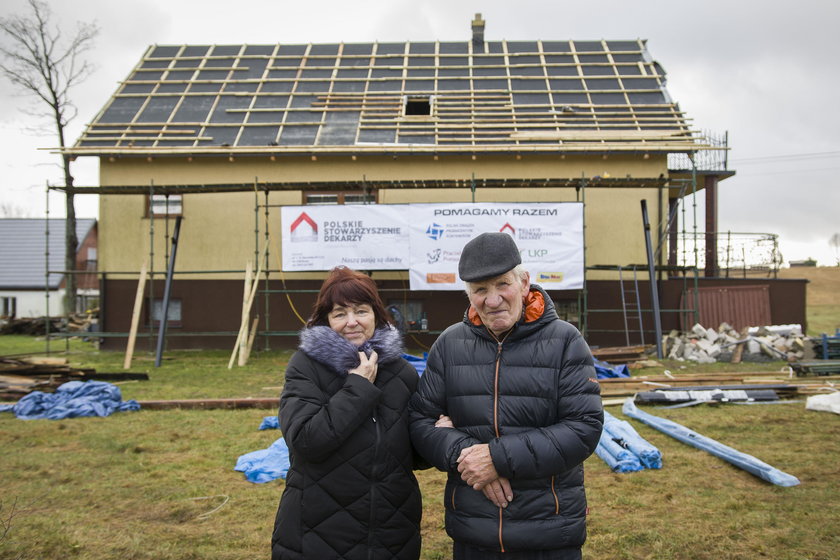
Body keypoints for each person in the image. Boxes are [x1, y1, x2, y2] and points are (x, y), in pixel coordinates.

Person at [409, 232, 603, 559]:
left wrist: (497, 459)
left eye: (502, 284)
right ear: (468, 294)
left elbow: (583, 428)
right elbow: (419, 421)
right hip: (474, 531)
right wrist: (466, 451)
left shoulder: (566, 342)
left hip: (549, 533)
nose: (493, 299)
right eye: (480, 290)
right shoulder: (449, 344)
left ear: (525, 283)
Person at [272, 266, 422, 560]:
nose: (351, 322)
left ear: (376, 316)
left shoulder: (402, 372)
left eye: (361, 311)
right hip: (320, 530)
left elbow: (414, 455)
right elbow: (305, 440)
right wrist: (357, 386)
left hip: (390, 530)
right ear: (326, 320)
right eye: (340, 313)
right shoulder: (306, 366)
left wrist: (435, 430)